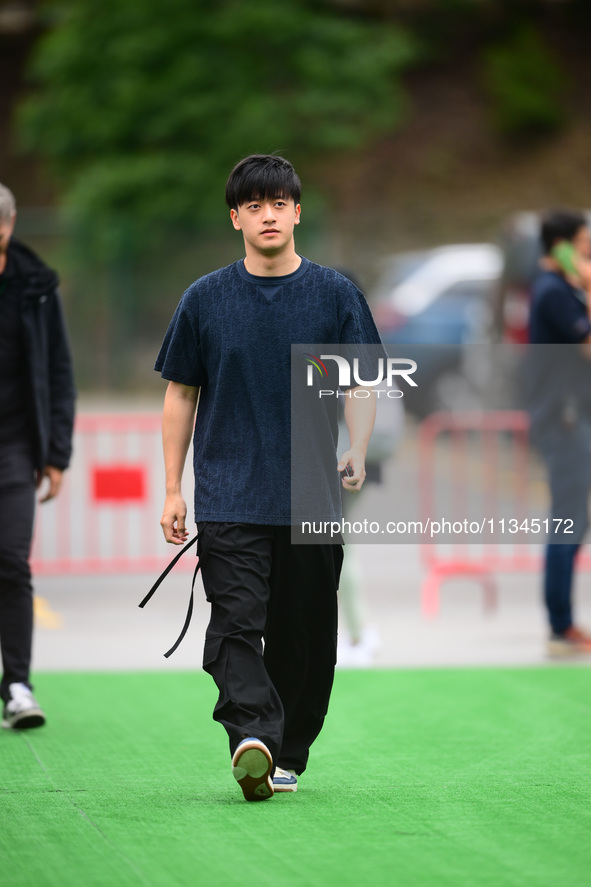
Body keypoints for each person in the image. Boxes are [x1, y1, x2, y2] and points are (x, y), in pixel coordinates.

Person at [155, 154, 383, 801]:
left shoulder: (335, 295)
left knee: (303, 633)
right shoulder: (204, 299)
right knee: (233, 621)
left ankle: (284, 749)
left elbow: (359, 381)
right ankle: (252, 734)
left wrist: (357, 448)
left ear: (296, 212)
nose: (267, 214)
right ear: (236, 219)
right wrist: (173, 486)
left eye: (278, 203)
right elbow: (180, 394)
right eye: (253, 205)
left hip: (311, 492)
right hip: (229, 493)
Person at [0, 183, 76, 728]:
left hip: (14, 446)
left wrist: (56, 454)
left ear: (10, 226)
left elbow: (58, 372)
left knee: (11, 563)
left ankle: (18, 686)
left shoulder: (37, 288)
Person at [527, 208, 591, 656]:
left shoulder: (561, 289)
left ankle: (563, 622)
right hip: (563, 420)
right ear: (564, 245)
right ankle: (560, 625)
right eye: (585, 245)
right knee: (568, 518)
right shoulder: (554, 292)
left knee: (573, 518)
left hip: (570, 417)